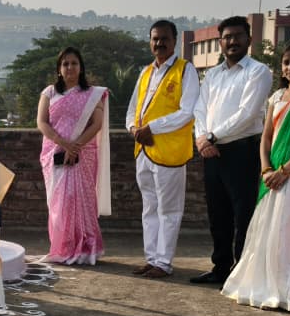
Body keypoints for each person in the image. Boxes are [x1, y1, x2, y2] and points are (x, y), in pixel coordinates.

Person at [222, 39, 290, 310]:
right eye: (286, 62)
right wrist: (267, 168)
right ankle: (266, 285)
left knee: (289, 234)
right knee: (268, 234)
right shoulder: (276, 97)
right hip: (272, 175)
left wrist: (285, 170)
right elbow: (266, 136)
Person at [191, 16, 273, 284]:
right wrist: (202, 138)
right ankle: (220, 267)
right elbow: (200, 109)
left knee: (243, 212)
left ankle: (242, 271)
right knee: (218, 213)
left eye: (238, 36)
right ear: (220, 42)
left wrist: (212, 136)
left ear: (249, 40)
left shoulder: (258, 71)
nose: (233, 41)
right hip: (212, 153)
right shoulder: (213, 75)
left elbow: (247, 114)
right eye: (227, 37)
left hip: (242, 151)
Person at [125, 20, 199, 278]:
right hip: (143, 149)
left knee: (169, 209)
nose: (159, 43)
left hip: (169, 151)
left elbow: (188, 112)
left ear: (175, 40)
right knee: (149, 207)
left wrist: (152, 128)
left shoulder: (185, 70)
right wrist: (134, 129)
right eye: (155, 39)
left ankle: (164, 262)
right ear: (150, 41)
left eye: (164, 38)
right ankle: (152, 257)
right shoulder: (146, 72)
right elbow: (133, 109)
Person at [37, 46, 109, 265]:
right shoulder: (49, 92)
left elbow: (96, 124)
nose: (70, 67)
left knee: (80, 199)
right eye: (65, 63)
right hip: (55, 153)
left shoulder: (91, 94)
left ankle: (86, 248)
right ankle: (62, 247)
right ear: (59, 69)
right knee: (60, 202)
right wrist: (64, 145)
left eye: (74, 63)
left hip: (84, 154)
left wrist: (75, 146)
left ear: (81, 67)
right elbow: (41, 122)